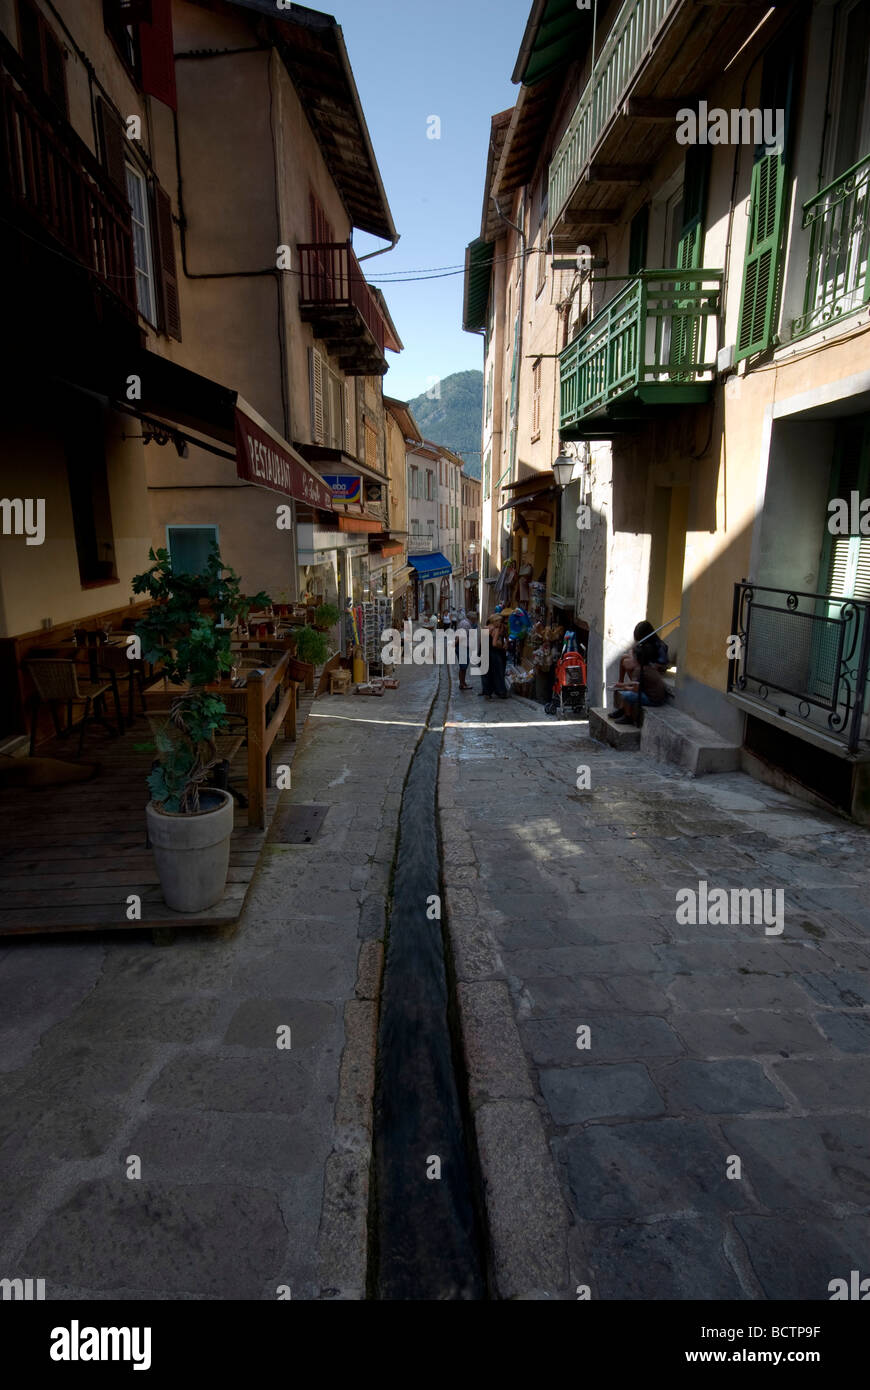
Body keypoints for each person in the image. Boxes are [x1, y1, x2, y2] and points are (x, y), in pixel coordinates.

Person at [611, 632, 668, 724]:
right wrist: (623, 684)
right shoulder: (647, 666)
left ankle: (628, 717)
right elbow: (637, 684)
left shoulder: (639, 671)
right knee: (626, 692)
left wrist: (624, 687)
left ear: (637, 659)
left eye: (633, 657)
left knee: (627, 695)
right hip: (658, 696)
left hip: (654, 699)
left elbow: (635, 689)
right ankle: (622, 710)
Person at [479, 612, 508, 699]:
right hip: (492, 652)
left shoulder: (485, 628)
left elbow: (482, 641)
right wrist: (502, 646)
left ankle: (487, 692)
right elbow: (494, 644)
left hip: (483, 651)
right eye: (499, 621)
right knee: (496, 672)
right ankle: (500, 691)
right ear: (495, 621)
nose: (500, 623)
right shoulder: (496, 630)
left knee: (485, 673)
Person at [456, 610, 475, 691]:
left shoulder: (464, 622)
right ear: (472, 618)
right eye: (475, 618)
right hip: (462, 647)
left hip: (462, 646)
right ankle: (462, 684)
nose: (476, 620)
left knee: (463, 667)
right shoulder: (466, 624)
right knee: (463, 667)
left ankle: (463, 683)